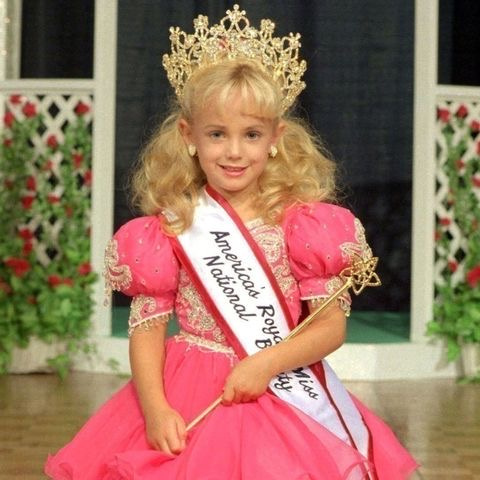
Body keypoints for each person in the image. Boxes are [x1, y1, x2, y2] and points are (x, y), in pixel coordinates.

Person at [45, 5, 418, 479]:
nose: (235, 151)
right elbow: (146, 333)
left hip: (280, 385)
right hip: (188, 390)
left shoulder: (305, 225)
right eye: (217, 134)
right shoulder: (171, 227)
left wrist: (266, 364)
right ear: (189, 135)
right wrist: (156, 409)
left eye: (252, 134)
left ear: (276, 137)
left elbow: (329, 329)